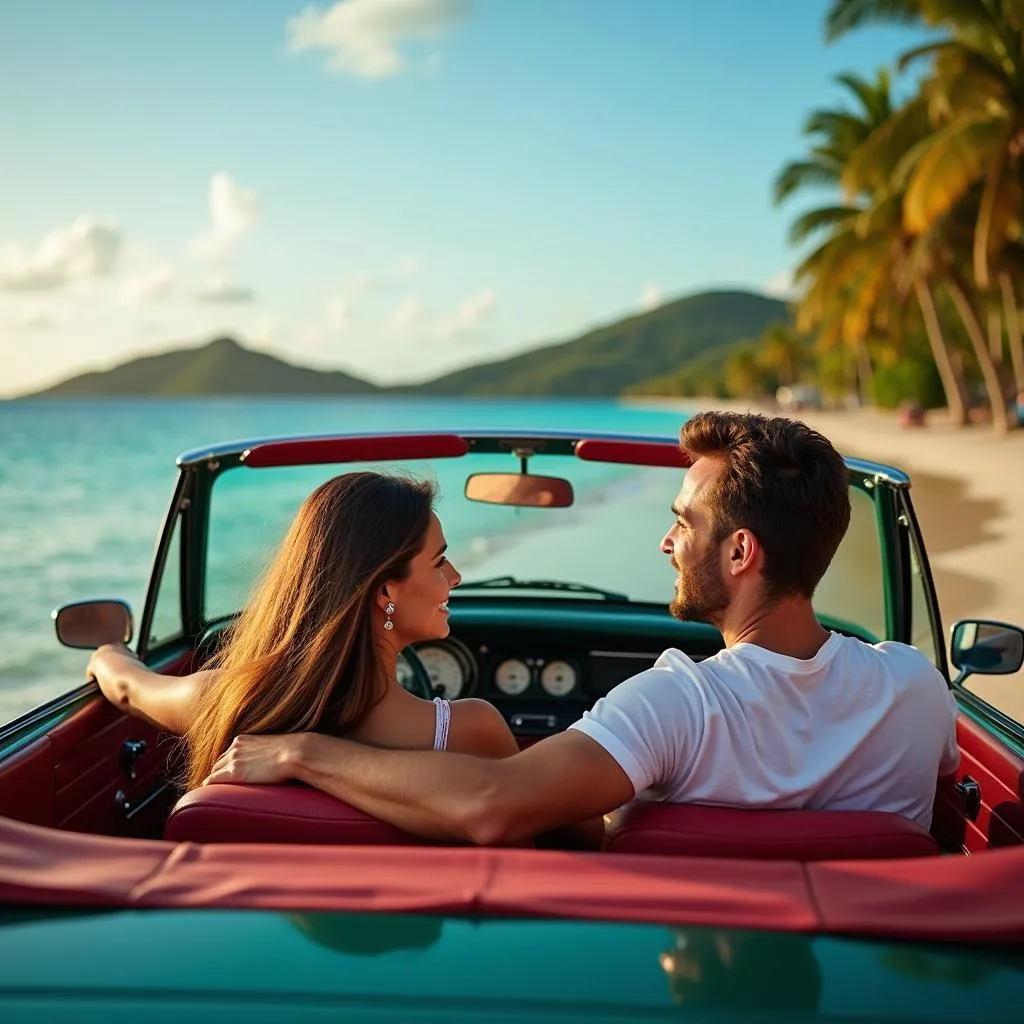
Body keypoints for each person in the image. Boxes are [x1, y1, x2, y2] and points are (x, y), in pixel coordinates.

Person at [202, 411, 961, 844]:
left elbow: (491, 805)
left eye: (682, 524)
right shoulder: (916, 691)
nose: (667, 544)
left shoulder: (678, 706)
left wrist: (305, 751)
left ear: (740, 551)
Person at [86, 471, 519, 793]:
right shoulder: (470, 731)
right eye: (440, 561)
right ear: (385, 589)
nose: (456, 576)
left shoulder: (224, 701)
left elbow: (126, 686)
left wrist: (107, 651)